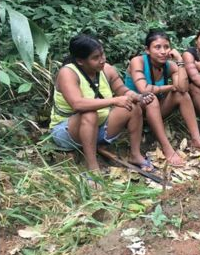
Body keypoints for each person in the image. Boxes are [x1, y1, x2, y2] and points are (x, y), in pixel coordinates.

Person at [50, 34, 155, 174]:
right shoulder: (67, 73)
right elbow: (78, 104)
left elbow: (121, 90)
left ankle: (135, 155)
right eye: (95, 58)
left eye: (102, 54)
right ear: (80, 61)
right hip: (67, 132)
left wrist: (138, 97)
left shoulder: (107, 69)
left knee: (133, 107)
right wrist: (114, 100)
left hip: (98, 128)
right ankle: (92, 168)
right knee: (89, 113)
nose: (102, 60)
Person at [124, 30, 200, 166]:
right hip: (135, 111)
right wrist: (170, 87)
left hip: (155, 111)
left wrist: (179, 61)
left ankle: (197, 139)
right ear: (147, 50)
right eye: (157, 47)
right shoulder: (138, 62)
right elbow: (144, 89)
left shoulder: (169, 65)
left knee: (181, 95)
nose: (163, 51)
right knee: (151, 97)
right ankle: (167, 148)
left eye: (166, 47)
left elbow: (183, 88)